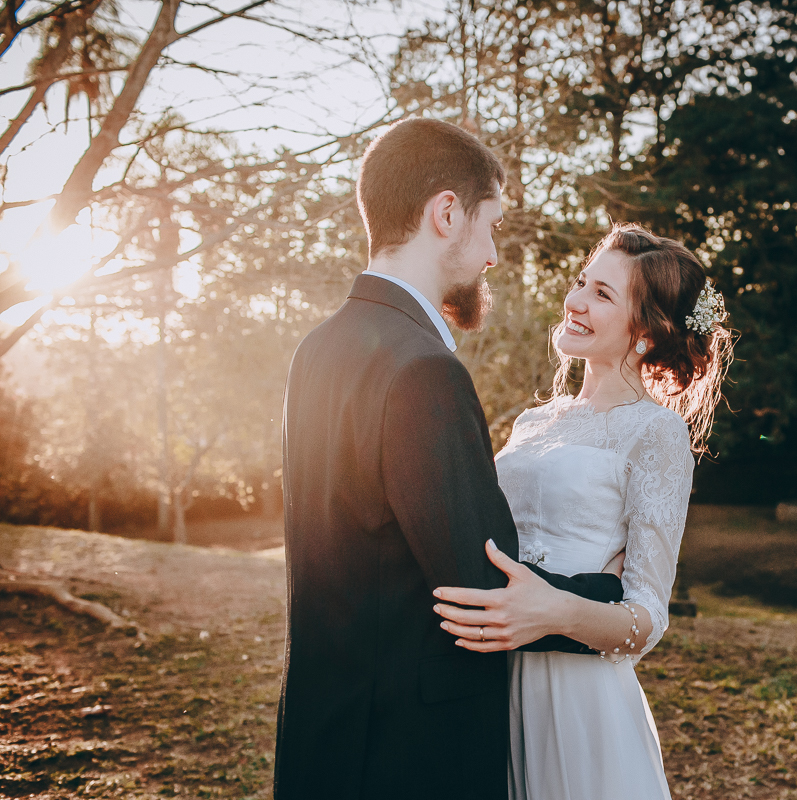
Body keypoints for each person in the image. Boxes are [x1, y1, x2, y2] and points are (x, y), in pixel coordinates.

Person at [273, 118, 625, 800]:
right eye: (490, 226)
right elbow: (483, 589)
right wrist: (609, 596)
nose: (492, 255)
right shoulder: (424, 369)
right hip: (409, 753)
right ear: (446, 213)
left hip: (324, 737)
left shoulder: (317, 348)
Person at [433, 223, 733, 799]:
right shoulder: (533, 422)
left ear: (644, 331)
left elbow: (647, 619)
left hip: (577, 694)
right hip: (494, 677)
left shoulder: (655, 432)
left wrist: (556, 611)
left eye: (603, 294)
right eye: (581, 282)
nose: (575, 301)